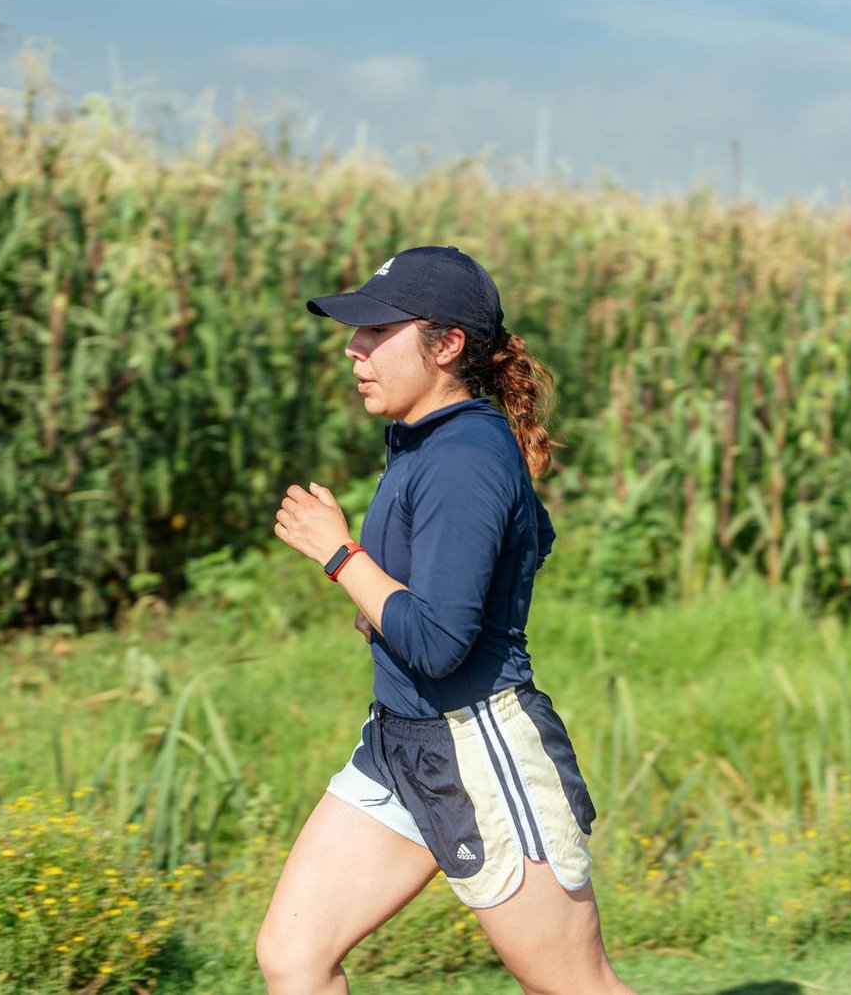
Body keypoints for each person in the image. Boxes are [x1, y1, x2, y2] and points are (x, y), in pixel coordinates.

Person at [258, 246, 633, 994]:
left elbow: (436, 642)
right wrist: (395, 602)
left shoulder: (464, 453)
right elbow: (527, 544)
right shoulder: (426, 440)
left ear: (448, 345)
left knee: (573, 986)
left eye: (375, 332)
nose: (352, 348)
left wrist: (340, 555)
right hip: (402, 746)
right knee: (293, 958)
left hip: (478, 749)